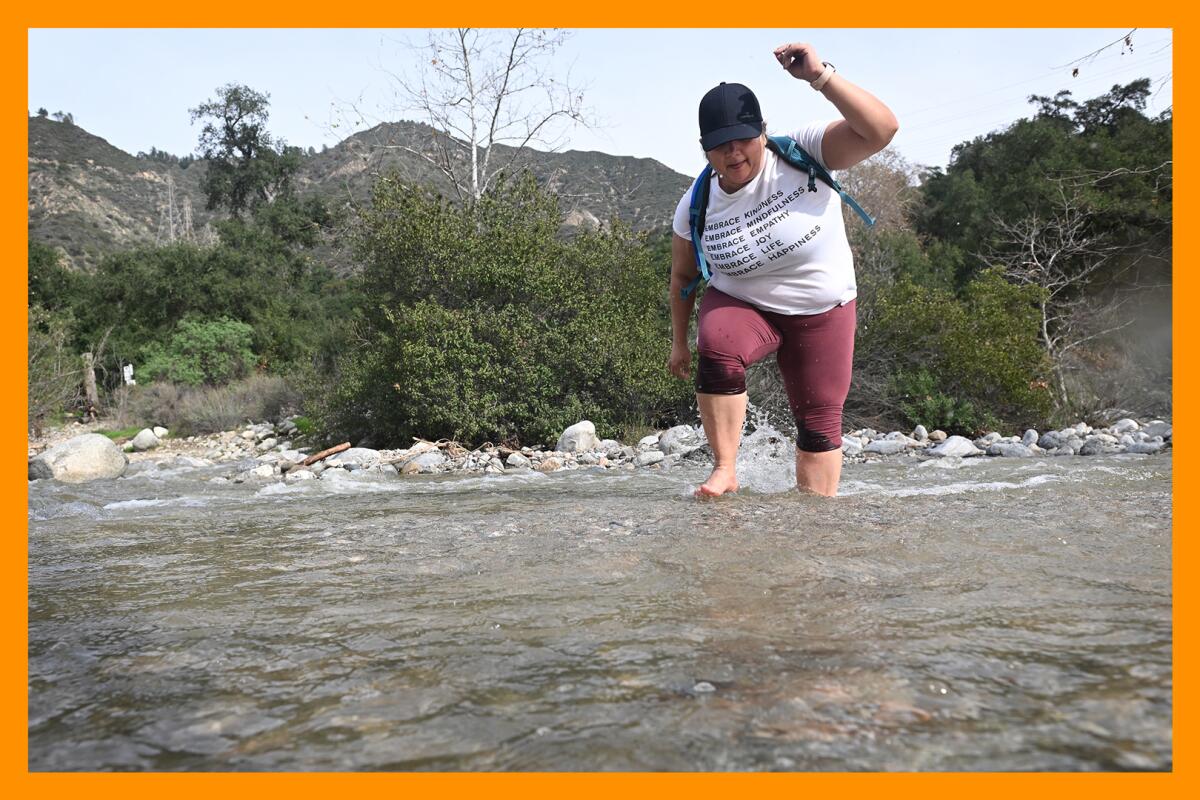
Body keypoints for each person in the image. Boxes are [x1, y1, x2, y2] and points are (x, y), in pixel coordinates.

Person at [667, 42, 898, 498]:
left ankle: (813, 520)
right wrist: (678, 344)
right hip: (745, 303)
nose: (734, 153)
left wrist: (821, 77)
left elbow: (882, 129)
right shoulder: (695, 205)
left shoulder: (804, 151)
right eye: (719, 144)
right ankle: (725, 469)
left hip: (823, 308)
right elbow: (682, 278)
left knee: (818, 424)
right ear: (704, 149)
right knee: (717, 346)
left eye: (743, 138)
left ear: (762, 132)